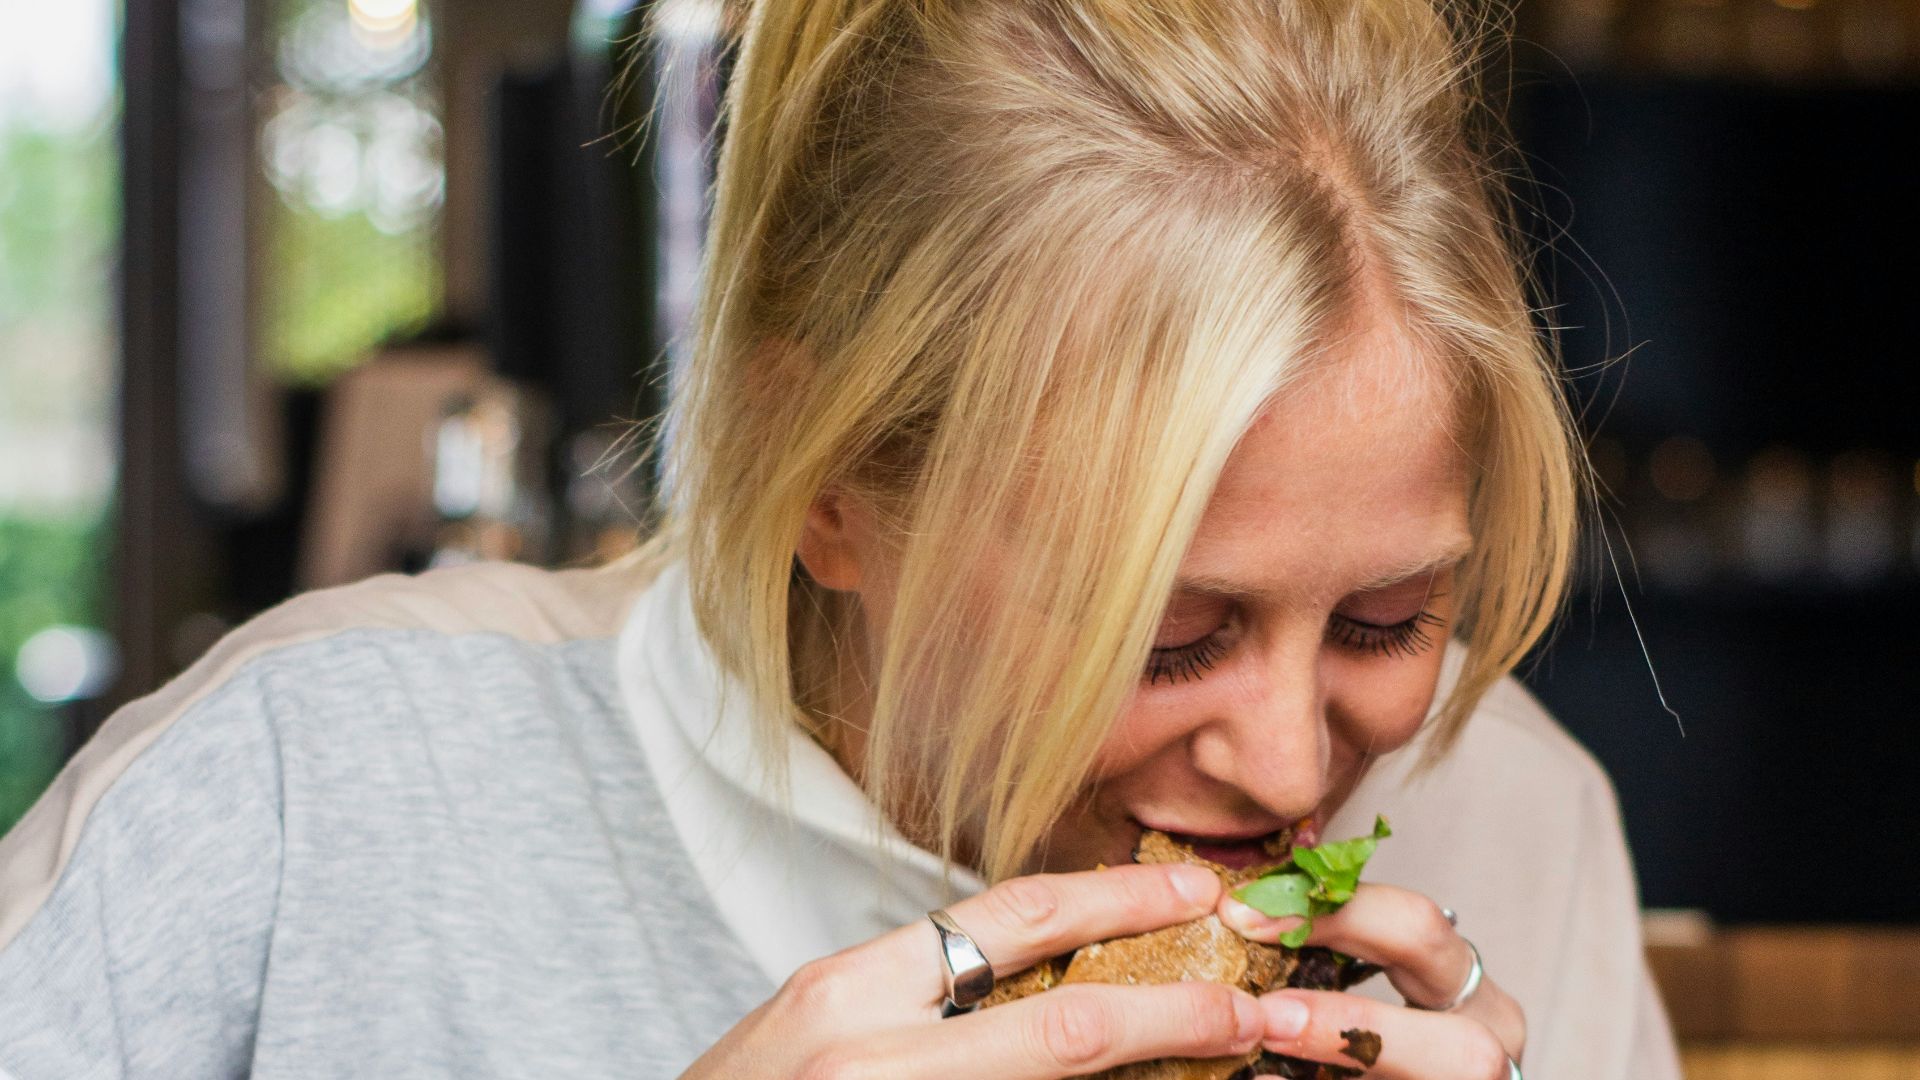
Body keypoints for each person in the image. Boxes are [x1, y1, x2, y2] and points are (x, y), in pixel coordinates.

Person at [0, 0, 1683, 1077]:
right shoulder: (308, 799)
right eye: (1163, 634)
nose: (1288, 759)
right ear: (824, 481)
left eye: (1391, 621)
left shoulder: (1517, 819)